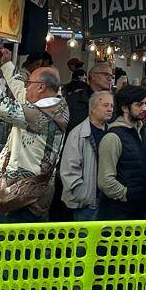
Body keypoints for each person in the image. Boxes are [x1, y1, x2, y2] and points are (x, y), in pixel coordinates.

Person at [0, 43, 68, 222]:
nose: (26, 86)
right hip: (37, 196)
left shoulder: (38, 116)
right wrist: (7, 65)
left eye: (29, 82)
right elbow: (22, 93)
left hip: (21, 200)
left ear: (41, 88)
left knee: (14, 248)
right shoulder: (58, 106)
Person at [97, 85, 146, 220]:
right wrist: (127, 195)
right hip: (118, 214)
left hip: (142, 210)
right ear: (124, 108)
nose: (145, 108)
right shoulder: (113, 137)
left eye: (145, 103)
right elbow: (105, 181)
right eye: (139, 104)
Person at [60, 90, 113, 221]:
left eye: (112, 106)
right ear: (93, 109)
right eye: (105, 105)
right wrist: (82, 194)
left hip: (109, 202)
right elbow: (69, 170)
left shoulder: (113, 132)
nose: (110, 109)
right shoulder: (77, 134)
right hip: (86, 204)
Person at [66, 62, 115, 132]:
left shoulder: (115, 101)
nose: (110, 79)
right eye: (106, 74)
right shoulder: (73, 99)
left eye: (111, 76)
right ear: (93, 76)